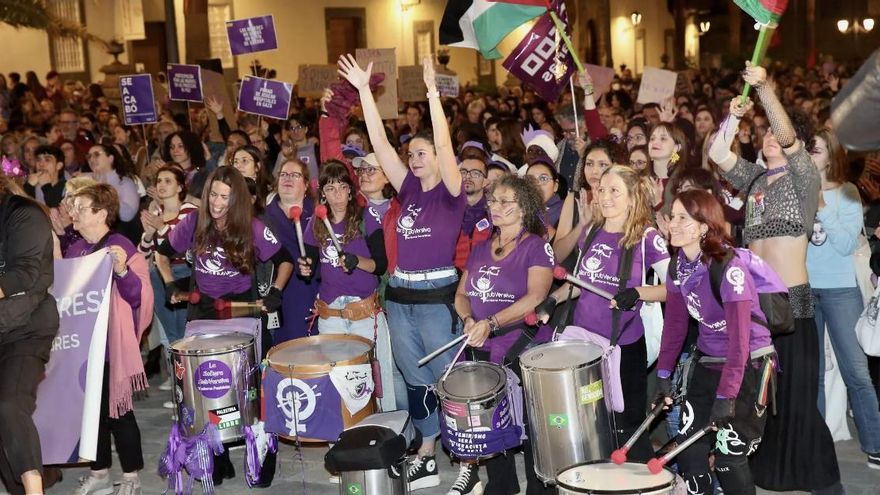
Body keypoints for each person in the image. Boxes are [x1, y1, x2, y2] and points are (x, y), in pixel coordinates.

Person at [708, 62, 843, 492]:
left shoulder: (802, 180)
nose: (768, 138)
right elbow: (716, 153)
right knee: (765, 397)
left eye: (775, 134)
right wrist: (734, 116)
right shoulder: (755, 180)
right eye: (762, 133)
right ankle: (770, 472)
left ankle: (822, 480)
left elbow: (786, 135)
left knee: (798, 399)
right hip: (757, 307)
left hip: (793, 303)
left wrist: (764, 88)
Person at [340, 54, 466, 491]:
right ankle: (428, 451)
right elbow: (378, 141)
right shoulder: (407, 188)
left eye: (421, 153)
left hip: (436, 299)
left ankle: (466, 455)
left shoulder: (452, 194)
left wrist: (432, 93)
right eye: (409, 153)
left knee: (447, 379)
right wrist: (362, 93)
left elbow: (448, 149)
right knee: (415, 380)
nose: (412, 159)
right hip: (400, 299)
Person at [156, 166, 290, 487]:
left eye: (224, 197)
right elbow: (161, 255)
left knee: (246, 393)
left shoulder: (253, 227)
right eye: (213, 195)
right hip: (202, 317)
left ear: (238, 200)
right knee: (205, 390)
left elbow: (285, 260)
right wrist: (171, 284)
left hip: (242, 316)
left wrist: (275, 292)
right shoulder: (194, 222)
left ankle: (260, 453)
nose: (216, 203)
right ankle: (216, 454)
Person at [535, 165, 669, 461]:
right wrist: (553, 300)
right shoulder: (592, 230)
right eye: (601, 189)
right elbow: (582, 284)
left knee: (629, 426)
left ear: (633, 197)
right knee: (593, 421)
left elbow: (676, 288)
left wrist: (638, 293)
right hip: (585, 345)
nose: (604, 196)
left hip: (624, 345)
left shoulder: (647, 237)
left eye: (614, 190)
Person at [654, 190, 777, 495]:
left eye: (685, 218)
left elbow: (740, 342)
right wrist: (663, 374)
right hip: (709, 360)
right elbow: (675, 326)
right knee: (689, 449)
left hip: (749, 364)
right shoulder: (678, 266)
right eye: (673, 216)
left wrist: (727, 396)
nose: (674, 224)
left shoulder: (728, 267)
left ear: (704, 226)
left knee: (728, 457)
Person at [452, 174, 555, 495]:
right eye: (493, 201)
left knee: (533, 428)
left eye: (505, 201)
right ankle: (501, 485)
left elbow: (535, 296)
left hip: (523, 348)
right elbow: (461, 295)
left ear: (523, 207)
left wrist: (491, 322)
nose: (495, 207)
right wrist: (469, 318)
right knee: (491, 424)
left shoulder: (536, 247)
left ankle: (540, 488)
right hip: (483, 347)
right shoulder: (481, 248)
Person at [66, 184, 153, 495]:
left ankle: (131, 476)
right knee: (90, 414)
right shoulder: (75, 248)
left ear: (101, 213)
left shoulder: (120, 246)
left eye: (80, 207)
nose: (72, 212)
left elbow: (137, 296)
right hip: (81, 347)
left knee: (119, 413)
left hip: (109, 346)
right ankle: (99, 471)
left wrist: (121, 270)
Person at [807, 127, 880, 466]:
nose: (810, 155)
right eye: (808, 149)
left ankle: (875, 444)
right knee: (814, 373)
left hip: (840, 290)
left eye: (816, 150)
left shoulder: (848, 193)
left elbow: (846, 244)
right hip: (805, 289)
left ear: (831, 155)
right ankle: (818, 447)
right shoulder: (797, 191)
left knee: (856, 371)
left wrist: (821, 205)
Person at [298, 161, 395, 412]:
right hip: (330, 312)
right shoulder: (315, 223)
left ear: (351, 191)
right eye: (330, 188)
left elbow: (380, 266)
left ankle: (383, 432)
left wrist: (356, 262)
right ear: (323, 194)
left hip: (363, 311)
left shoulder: (366, 218)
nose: (337, 194)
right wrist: (305, 266)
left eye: (342, 187)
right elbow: (308, 263)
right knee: (336, 379)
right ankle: (341, 434)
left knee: (375, 379)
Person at [0, 175, 59, 495]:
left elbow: (25, 272)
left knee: (8, 404)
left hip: (27, 327)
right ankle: (39, 476)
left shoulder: (23, 213)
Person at [137, 165, 198, 404]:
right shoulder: (155, 211)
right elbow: (142, 253)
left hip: (184, 275)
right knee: (168, 338)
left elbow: (185, 246)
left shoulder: (190, 211)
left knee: (185, 335)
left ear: (180, 186)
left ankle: (192, 392)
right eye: (159, 180)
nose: (161, 185)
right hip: (159, 276)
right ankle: (180, 392)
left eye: (168, 181)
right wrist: (149, 234)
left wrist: (161, 227)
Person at [262, 158, 319, 343]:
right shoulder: (264, 217)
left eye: (295, 175)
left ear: (305, 184)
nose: (288, 178)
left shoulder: (319, 213)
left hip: (317, 289)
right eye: (284, 174)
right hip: (285, 292)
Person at [86, 143, 142, 245]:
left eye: (96, 154)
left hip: (122, 238)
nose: (91, 159)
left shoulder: (125, 182)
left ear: (110, 158)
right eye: (89, 156)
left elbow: (127, 215)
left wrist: (103, 189)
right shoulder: (85, 181)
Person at [454, 156, 491, 271]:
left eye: (475, 173)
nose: (468, 176)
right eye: (463, 172)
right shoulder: (448, 211)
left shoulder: (494, 214)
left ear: (485, 181)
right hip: (451, 279)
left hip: (483, 277)